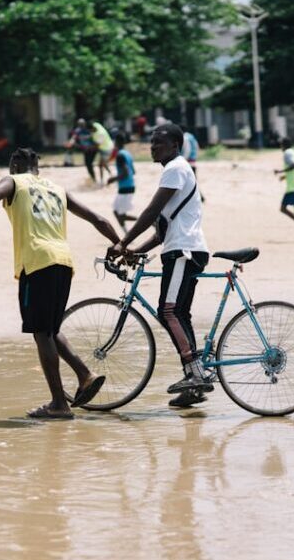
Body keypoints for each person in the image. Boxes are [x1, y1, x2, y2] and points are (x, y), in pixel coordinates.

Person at [0, 147, 121, 419]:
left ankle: (59, 404)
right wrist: (120, 244)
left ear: (14, 165)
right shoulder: (57, 188)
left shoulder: (13, 182)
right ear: (38, 166)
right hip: (64, 261)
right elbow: (98, 218)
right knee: (50, 327)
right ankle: (85, 374)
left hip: (37, 262)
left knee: (41, 332)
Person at [107, 123, 212, 409]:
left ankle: (195, 373)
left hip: (183, 251)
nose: (153, 147)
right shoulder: (176, 170)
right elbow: (162, 230)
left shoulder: (175, 168)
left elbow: (151, 211)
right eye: (152, 143)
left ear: (175, 146)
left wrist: (122, 242)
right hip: (183, 248)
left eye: (159, 143)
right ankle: (194, 382)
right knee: (178, 313)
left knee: (168, 311)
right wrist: (134, 251)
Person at [106, 132, 137, 233]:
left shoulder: (120, 155)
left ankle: (148, 222)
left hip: (125, 188)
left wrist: (112, 179)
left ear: (116, 142)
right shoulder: (127, 154)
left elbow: (125, 173)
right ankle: (127, 234)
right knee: (117, 212)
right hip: (130, 186)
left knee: (119, 214)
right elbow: (133, 171)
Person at [70, 118, 98, 183]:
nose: (81, 125)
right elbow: (74, 138)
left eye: (82, 124)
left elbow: (94, 137)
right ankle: (93, 178)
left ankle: (93, 178)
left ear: (84, 124)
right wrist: (72, 142)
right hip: (85, 150)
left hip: (92, 149)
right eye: (80, 124)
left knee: (89, 163)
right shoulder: (77, 131)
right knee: (87, 164)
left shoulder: (88, 130)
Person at [181, 130, 205, 203]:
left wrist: (183, 160)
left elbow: (187, 150)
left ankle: (200, 197)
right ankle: (200, 197)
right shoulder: (192, 137)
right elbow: (197, 147)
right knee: (192, 181)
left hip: (188, 163)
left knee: (190, 182)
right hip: (193, 162)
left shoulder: (185, 138)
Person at [90, 120, 114, 184]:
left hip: (107, 149)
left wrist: (88, 148)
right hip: (103, 149)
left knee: (101, 165)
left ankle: (102, 181)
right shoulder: (96, 124)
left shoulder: (101, 133)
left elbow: (97, 145)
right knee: (103, 164)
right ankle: (111, 175)